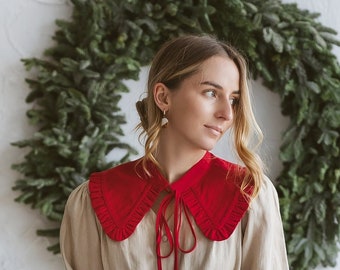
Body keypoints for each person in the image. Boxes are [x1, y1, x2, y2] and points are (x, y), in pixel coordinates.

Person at [60, 34, 289, 270]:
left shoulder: (250, 195)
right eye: (211, 93)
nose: (227, 114)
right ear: (163, 96)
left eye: (233, 100)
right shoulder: (92, 200)